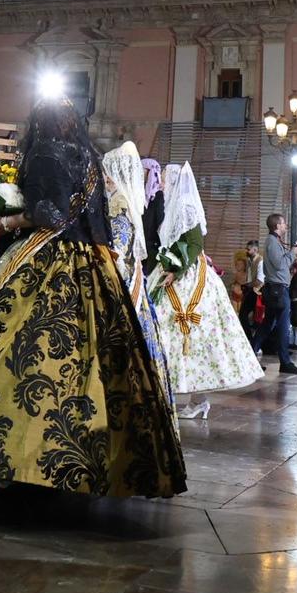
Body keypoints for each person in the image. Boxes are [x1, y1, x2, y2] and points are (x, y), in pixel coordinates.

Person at [0, 96, 184, 499]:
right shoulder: (89, 161)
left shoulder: (43, 153)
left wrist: (3, 221)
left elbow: (51, 215)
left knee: (15, 359)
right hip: (94, 266)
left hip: (47, 264)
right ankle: (91, 462)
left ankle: (13, 457)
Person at [146, 161, 261, 420]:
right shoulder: (171, 206)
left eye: (166, 178)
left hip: (187, 273)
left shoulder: (186, 206)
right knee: (168, 332)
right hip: (170, 269)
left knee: (190, 333)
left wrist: (177, 269)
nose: (162, 182)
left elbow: (195, 244)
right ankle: (175, 394)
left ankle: (198, 399)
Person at [104, 142, 176, 402]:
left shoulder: (119, 205)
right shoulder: (120, 201)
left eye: (107, 172)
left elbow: (119, 249)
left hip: (122, 279)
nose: (104, 177)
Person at [253, 214, 297, 375]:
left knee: (267, 325)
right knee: (283, 326)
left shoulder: (274, 241)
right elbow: (280, 264)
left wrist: (292, 253)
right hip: (278, 290)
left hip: (277, 289)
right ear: (277, 226)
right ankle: (285, 362)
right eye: (283, 223)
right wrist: (292, 253)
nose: (285, 225)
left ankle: (250, 358)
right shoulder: (272, 241)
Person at [233, 239, 261, 335]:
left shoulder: (260, 261)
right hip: (249, 290)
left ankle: (253, 336)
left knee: (256, 317)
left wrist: (249, 285)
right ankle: (249, 336)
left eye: (248, 249)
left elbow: (260, 280)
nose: (246, 251)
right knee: (243, 314)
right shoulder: (249, 261)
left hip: (257, 292)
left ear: (255, 250)